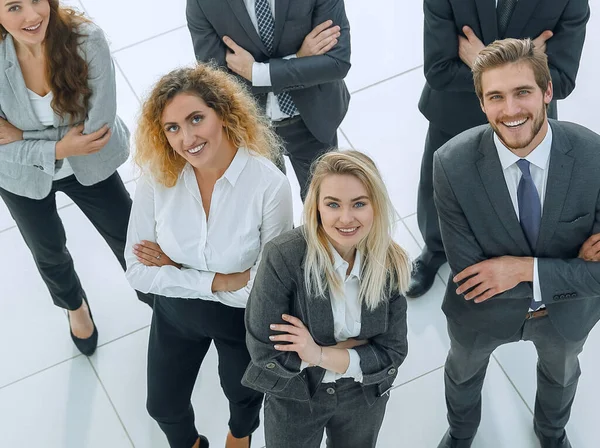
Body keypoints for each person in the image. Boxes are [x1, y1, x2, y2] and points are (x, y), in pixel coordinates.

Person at [434, 38, 600, 448]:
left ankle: (550, 432)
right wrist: (571, 269)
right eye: (496, 97)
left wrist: (520, 269)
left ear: (547, 92)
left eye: (522, 92)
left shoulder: (593, 155)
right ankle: (461, 433)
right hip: (481, 314)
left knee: (561, 377)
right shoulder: (450, 164)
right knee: (463, 374)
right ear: (482, 103)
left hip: (566, 317)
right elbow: (472, 278)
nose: (510, 110)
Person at [125, 64, 293, 448]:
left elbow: (265, 291)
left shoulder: (269, 186)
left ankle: (240, 436)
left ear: (223, 113)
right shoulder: (157, 176)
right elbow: (137, 272)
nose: (187, 138)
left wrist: (175, 269)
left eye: (196, 118)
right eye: (172, 128)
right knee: (163, 406)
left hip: (240, 321)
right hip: (176, 313)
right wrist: (220, 280)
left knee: (243, 396)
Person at [0, 0, 152, 357]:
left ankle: (159, 300)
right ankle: (74, 306)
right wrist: (59, 147)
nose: (32, 16)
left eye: (36, 0)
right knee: (47, 249)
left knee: (128, 236)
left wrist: (20, 137)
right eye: (14, 7)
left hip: (90, 160)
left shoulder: (86, 40)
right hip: (20, 173)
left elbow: (96, 130)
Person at [408, 0, 590, 297]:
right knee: (437, 188)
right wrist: (525, 73)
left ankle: (515, 257)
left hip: (527, 122)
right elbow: (439, 70)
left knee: (522, 191)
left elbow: (563, 79)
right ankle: (435, 249)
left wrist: (482, 61)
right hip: (454, 114)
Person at [243, 150, 411, 448]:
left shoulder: (390, 262)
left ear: (376, 206)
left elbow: (392, 352)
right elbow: (265, 353)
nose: (346, 218)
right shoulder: (283, 256)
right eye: (333, 204)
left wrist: (317, 353)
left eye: (359, 204)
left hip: (362, 396)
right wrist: (357, 351)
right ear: (317, 207)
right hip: (296, 396)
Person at [186, 0, 351, 200]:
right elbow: (216, 84)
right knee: (271, 217)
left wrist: (257, 72)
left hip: (312, 121)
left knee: (326, 205)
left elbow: (336, 63)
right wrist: (299, 59)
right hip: (253, 128)